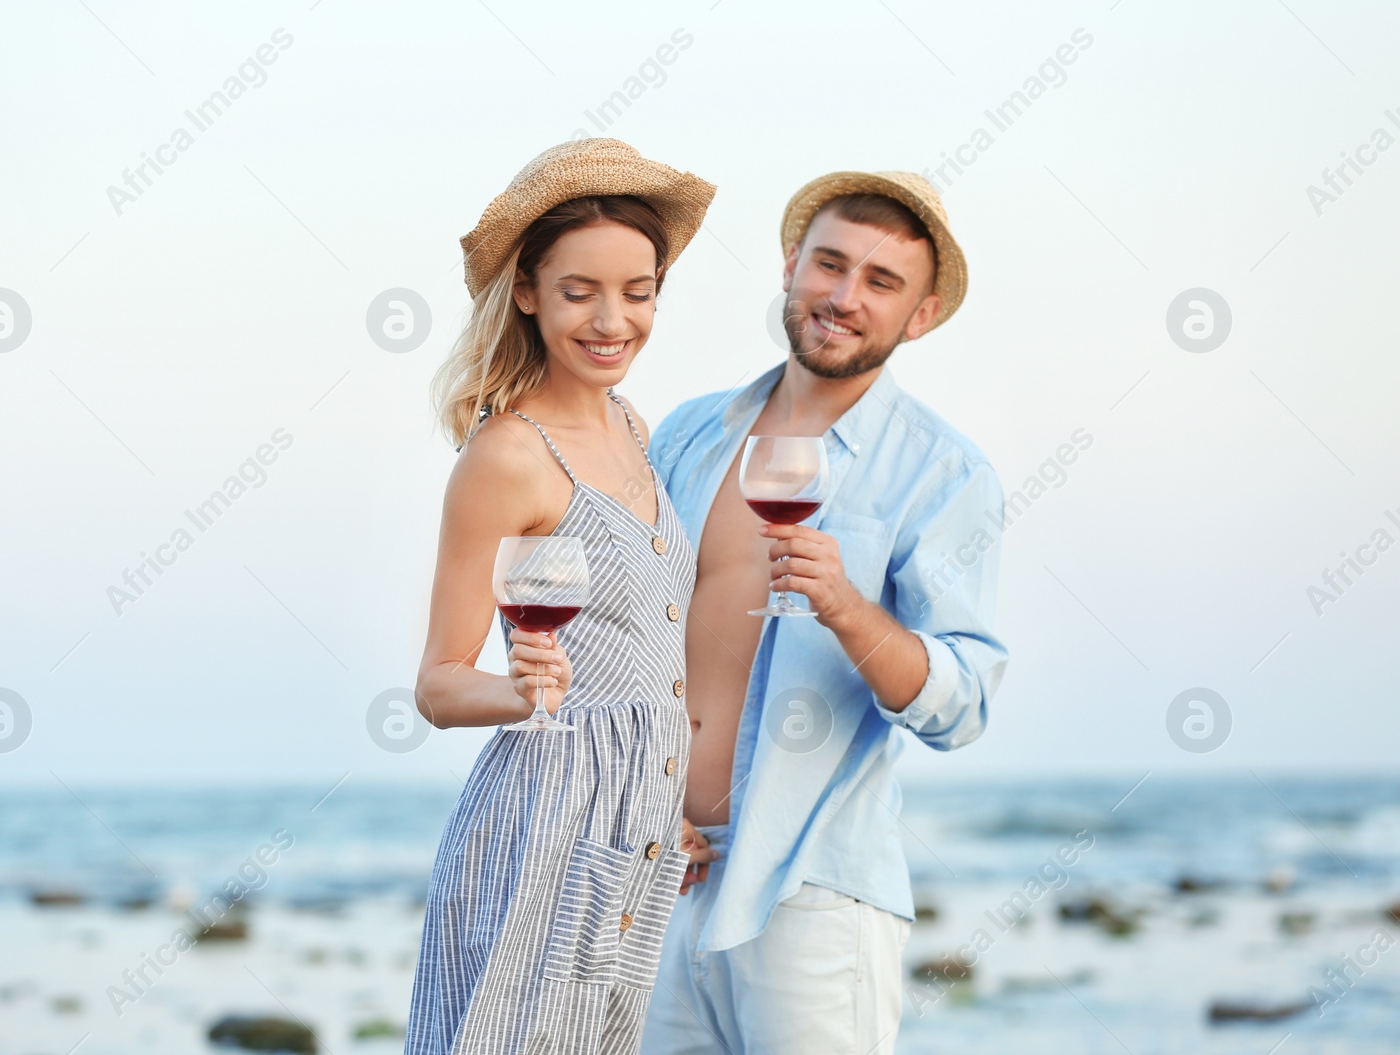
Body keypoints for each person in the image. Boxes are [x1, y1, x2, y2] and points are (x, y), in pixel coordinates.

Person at [638, 172, 1009, 1054]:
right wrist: (637, 805)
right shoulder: (687, 435)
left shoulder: (944, 474)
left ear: (920, 314)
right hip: (659, 874)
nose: (843, 298)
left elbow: (965, 703)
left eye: (880, 283)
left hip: (811, 889)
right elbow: (621, 637)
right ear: (789, 267)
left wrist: (847, 608)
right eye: (829, 265)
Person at [406, 138, 719, 1055]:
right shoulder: (507, 455)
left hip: (637, 835)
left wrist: (672, 807)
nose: (612, 319)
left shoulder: (632, 425)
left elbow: (650, 655)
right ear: (530, 291)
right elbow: (437, 682)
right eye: (579, 290)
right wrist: (521, 690)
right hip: (549, 824)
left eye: (638, 290)